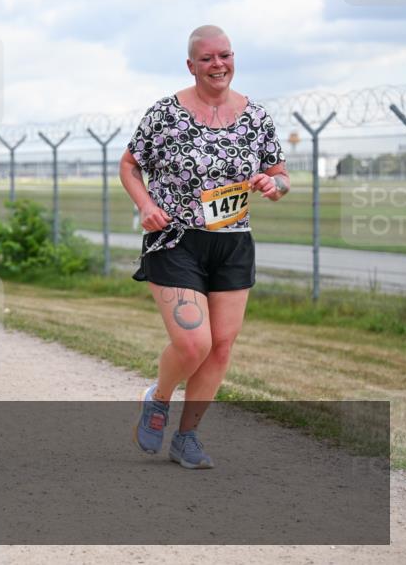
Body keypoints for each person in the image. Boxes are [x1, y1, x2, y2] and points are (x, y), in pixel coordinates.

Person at [119, 25, 289, 469]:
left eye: (225, 56)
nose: (219, 65)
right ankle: (158, 398)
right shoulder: (166, 114)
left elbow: (282, 173)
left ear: (234, 59)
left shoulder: (256, 116)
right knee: (195, 343)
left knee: (221, 347)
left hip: (232, 244)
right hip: (176, 240)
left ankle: (187, 437)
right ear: (191, 65)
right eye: (208, 58)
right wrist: (145, 204)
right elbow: (129, 164)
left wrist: (274, 184)